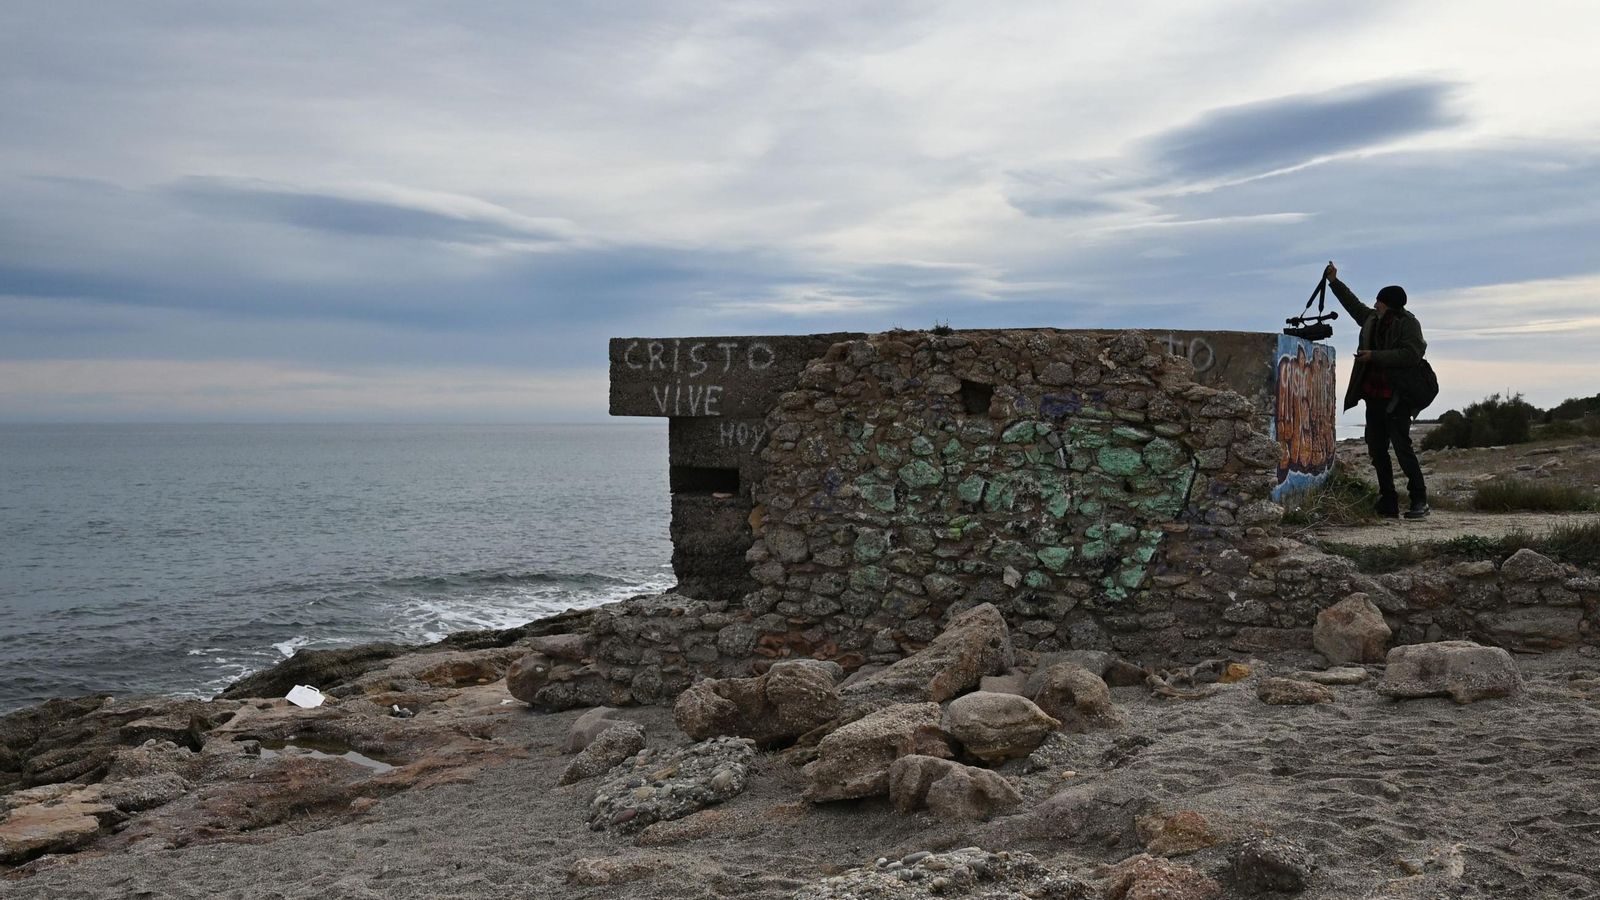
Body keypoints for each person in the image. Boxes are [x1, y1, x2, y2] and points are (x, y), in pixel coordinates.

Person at [1323, 262, 1430, 519]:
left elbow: (1412, 354)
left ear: (1389, 304)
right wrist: (1334, 282)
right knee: (1377, 449)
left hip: (1397, 397)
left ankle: (1419, 500)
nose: (1375, 305)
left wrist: (1374, 357)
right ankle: (1388, 501)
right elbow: (1353, 305)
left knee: (1402, 448)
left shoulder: (1408, 324)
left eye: (1379, 302)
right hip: (1374, 396)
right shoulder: (1372, 319)